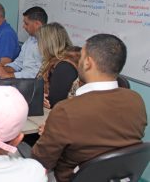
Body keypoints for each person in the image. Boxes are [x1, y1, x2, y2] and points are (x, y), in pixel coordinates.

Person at [31, 34, 147, 182]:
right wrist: (56, 130)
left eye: (81, 57)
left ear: (87, 63)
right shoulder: (136, 100)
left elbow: (40, 162)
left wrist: (51, 132)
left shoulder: (67, 110)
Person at [0, 6, 48, 79]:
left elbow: (38, 73)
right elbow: (18, 63)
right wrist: (2, 69)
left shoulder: (46, 43)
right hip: (23, 80)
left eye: (26, 24)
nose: (24, 26)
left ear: (37, 24)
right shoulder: (30, 40)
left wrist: (9, 75)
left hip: (34, 84)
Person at [37, 23, 80, 108]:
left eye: (39, 41)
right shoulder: (55, 61)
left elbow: (54, 102)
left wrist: (38, 99)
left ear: (47, 44)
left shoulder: (64, 67)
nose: (38, 45)